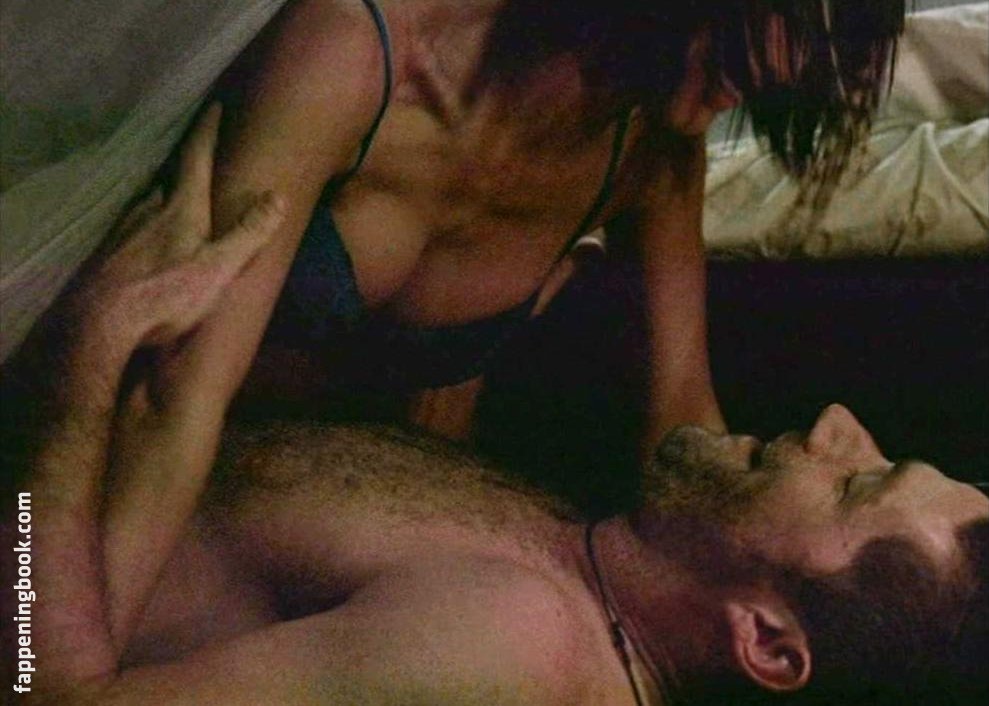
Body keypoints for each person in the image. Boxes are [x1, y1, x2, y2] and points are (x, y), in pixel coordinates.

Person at [4, 107, 985, 706]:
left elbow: (38, 695)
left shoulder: (513, 645)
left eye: (854, 482)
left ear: (764, 642)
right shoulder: (586, 581)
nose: (831, 430)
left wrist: (83, 349)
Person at [190, 0, 906, 445]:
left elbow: (682, 413)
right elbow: (173, 402)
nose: (791, 66)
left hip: (374, 524)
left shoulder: (650, 155)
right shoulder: (367, 54)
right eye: (792, 16)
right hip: (205, 487)